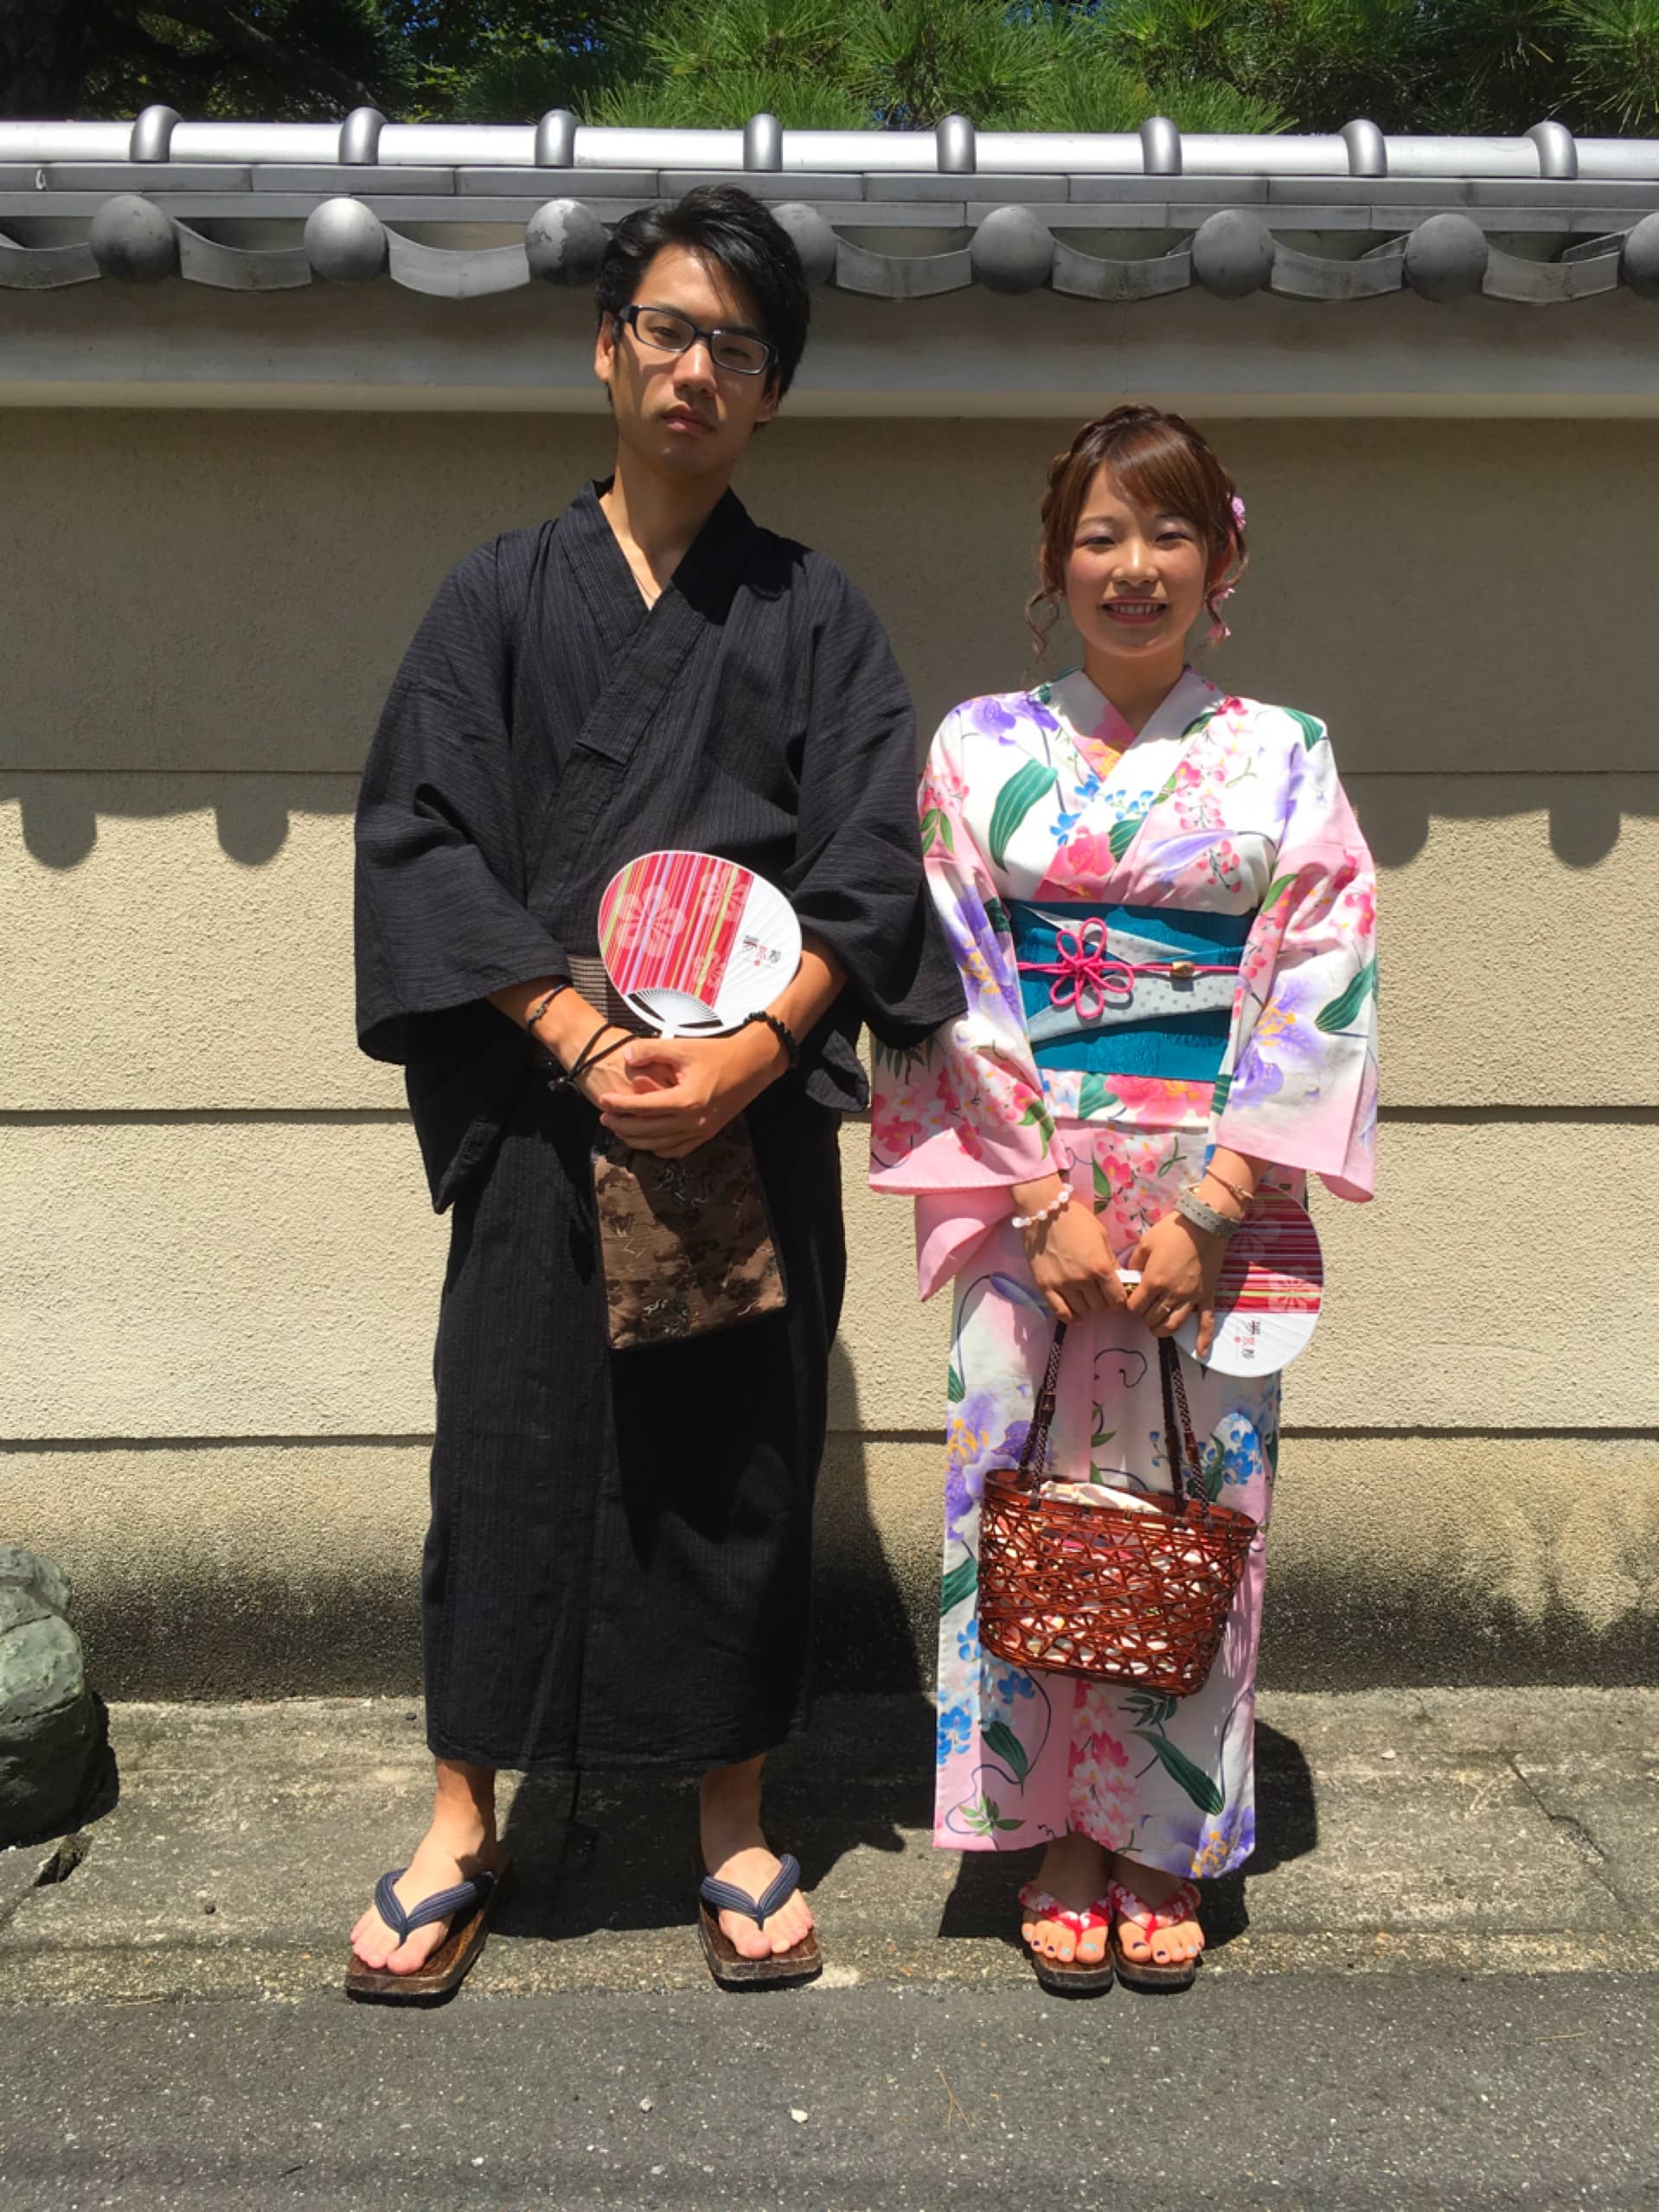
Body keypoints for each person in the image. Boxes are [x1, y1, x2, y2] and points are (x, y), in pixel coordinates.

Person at [349, 185, 963, 1997]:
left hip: (741, 1121)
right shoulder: (495, 597)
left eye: (738, 348)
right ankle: (462, 1816)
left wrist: (756, 1050)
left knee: (733, 1466)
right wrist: (575, 1032)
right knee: (505, 1450)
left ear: (772, 390)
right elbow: (420, 834)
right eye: (670, 331)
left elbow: (872, 864)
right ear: (607, 349)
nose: (698, 370)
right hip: (554, 1110)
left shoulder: (813, 614)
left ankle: (732, 1816)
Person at [870, 405, 1378, 1991]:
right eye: (1100, 534)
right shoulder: (977, 747)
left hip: (1214, 1188)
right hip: (1028, 1182)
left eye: (1169, 533)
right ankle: (1053, 1830)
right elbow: (948, 967)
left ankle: (1161, 1832)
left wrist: (1214, 1200)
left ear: (1221, 562)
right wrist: (1039, 1195)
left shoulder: (1282, 751)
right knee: (1021, 1494)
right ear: (1053, 560)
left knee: (1197, 1505)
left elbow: (1323, 964)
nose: (1134, 565)